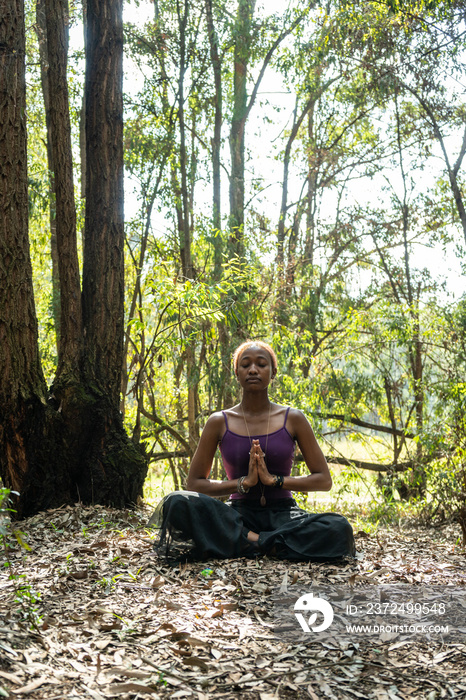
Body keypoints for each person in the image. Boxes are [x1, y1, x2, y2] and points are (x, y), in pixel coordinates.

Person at [151, 340, 355, 562]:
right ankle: (270, 543)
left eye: (261, 364)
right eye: (245, 365)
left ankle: (248, 542)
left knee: (338, 527)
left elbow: (323, 480)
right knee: (177, 502)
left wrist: (274, 480)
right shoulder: (219, 421)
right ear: (236, 373)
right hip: (237, 514)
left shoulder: (293, 418)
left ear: (273, 372)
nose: (253, 370)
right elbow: (195, 483)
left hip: (284, 514)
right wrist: (244, 483)